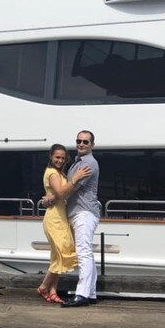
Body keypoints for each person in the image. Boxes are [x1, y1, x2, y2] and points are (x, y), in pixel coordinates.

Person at [37, 144, 91, 304]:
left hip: (61, 216)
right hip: (54, 218)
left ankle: (53, 290)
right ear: (51, 157)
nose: (60, 160)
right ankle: (43, 287)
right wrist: (76, 177)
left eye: (62, 158)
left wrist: (51, 198)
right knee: (63, 253)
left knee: (57, 255)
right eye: (57, 157)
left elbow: (59, 195)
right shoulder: (52, 173)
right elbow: (61, 192)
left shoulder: (59, 172)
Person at [62, 130, 100, 308]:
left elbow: (71, 189)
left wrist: (52, 198)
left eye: (85, 142)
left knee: (83, 252)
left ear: (92, 145)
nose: (81, 144)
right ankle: (90, 292)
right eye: (79, 141)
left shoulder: (88, 164)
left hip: (83, 212)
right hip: (82, 212)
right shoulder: (78, 163)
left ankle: (82, 294)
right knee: (87, 253)